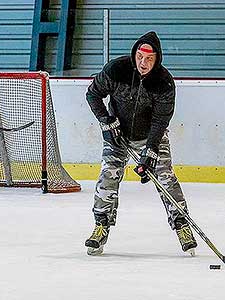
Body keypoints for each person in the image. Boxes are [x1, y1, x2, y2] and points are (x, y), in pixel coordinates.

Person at [84, 31, 198, 256]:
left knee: (165, 178)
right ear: (134, 53)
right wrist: (107, 122)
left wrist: (151, 151)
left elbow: (160, 120)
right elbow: (93, 94)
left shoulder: (164, 83)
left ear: (157, 59)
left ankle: (183, 226)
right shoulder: (116, 70)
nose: (143, 63)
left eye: (149, 59)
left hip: (150, 135)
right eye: (139, 56)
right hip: (117, 134)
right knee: (108, 176)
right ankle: (101, 226)